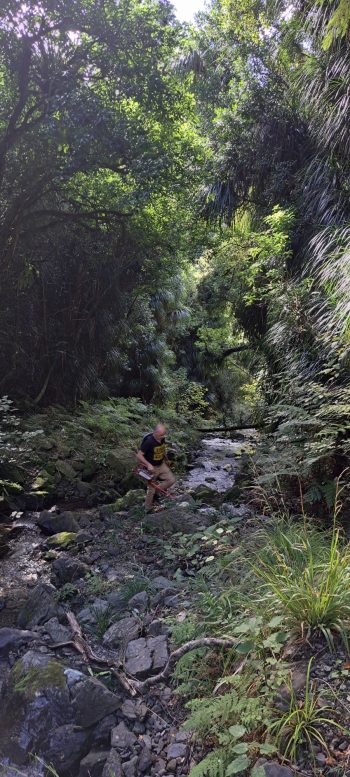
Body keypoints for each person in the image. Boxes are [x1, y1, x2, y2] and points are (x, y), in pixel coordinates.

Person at [136, 423, 175, 512]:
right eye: (162, 435)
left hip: (161, 464)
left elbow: (162, 448)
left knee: (171, 480)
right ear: (156, 433)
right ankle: (147, 508)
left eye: (164, 434)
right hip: (151, 467)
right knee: (151, 488)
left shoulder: (162, 438)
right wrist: (148, 465)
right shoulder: (149, 442)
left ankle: (156, 492)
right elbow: (139, 455)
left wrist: (166, 459)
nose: (164, 436)